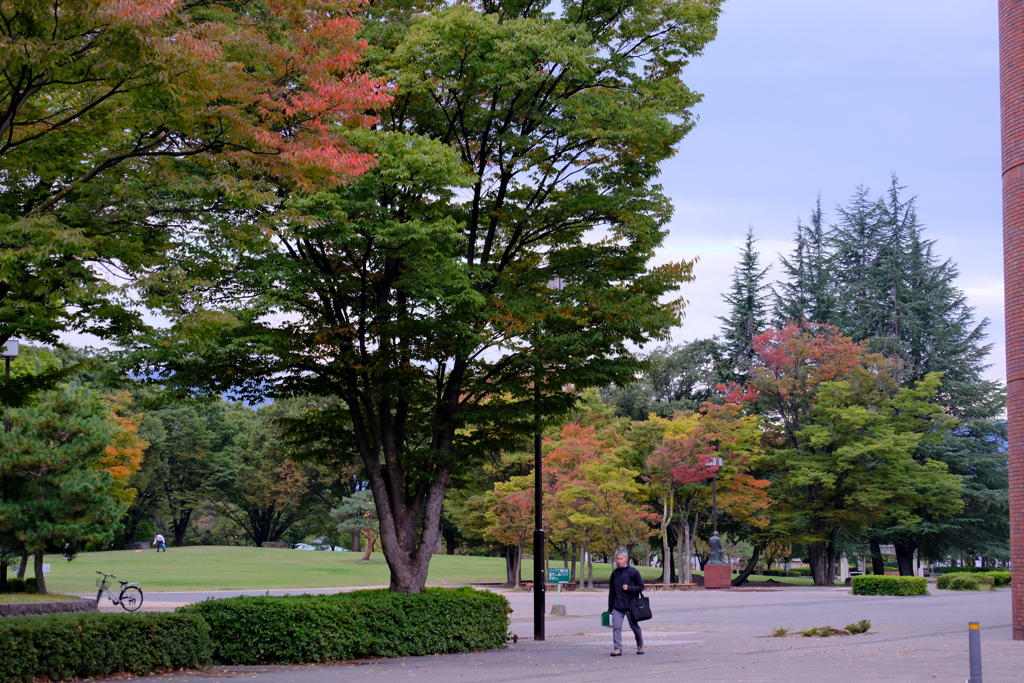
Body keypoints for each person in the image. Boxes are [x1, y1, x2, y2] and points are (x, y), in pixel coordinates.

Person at [607, 548, 645, 656]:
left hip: (631, 605)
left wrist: (629, 588)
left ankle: (640, 645)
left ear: (626, 559)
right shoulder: (614, 573)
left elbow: (641, 586)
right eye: (617, 559)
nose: (619, 561)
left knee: (634, 626)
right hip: (618, 605)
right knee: (616, 627)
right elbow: (612, 591)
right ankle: (617, 648)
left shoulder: (633, 572)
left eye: (621, 559)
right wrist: (610, 608)